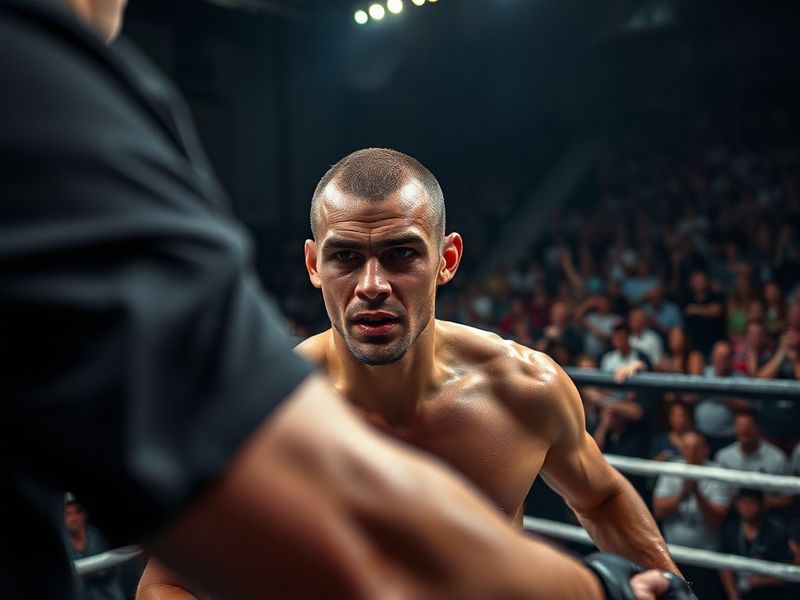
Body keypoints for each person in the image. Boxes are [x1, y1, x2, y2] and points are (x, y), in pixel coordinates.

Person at [0, 2, 688, 599]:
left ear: (447, 259)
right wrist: (597, 592)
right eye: (346, 258)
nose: (372, 286)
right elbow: (168, 584)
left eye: (401, 255)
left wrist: (668, 584)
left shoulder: (524, 389)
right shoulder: (268, 408)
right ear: (311, 265)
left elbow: (599, 495)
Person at [653, 430, 733, 599]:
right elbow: (659, 510)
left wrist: (697, 492)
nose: (691, 453)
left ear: (706, 449)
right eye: (687, 448)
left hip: (706, 559)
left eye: (696, 448)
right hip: (673, 556)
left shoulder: (718, 473)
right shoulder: (672, 468)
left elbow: (717, 520)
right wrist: (683, 493)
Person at [714, 412, 793, 518]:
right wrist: (739, 505)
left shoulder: (777, 458)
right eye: (740, 426)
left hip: (769, 515)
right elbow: (717, 493)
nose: (744, 431)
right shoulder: (723, 456)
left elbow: (788, 498)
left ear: (758, 428)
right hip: (732, 513)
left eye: (748, 426)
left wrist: (760, 505)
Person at [719, 489, 793, 600]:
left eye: (752, 502)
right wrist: (732, 594)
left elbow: (788, 573)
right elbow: (724, 565)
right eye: (743, 502)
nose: (747, 507)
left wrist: (762, 581)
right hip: (738, 592)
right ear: (737, 504)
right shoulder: (730, 529)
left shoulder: (777, 533)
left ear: (762, 505)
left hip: (769, 595)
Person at [64, 498, 126, 600]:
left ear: (85, 514)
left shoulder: (100, 535)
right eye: (68, 514)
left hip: (109, 593)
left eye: (78, 512)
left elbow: (117, 564)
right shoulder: (62, 543)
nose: (74, 518)